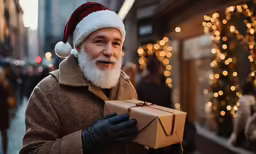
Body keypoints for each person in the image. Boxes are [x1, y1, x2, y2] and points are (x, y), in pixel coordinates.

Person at [20, 3, 148, 154]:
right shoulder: (47, 91)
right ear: (79, 46)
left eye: (116, 43)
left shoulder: (126, 85)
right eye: (99, 41)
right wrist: (87, 139)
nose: (109, 51)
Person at [228, 80, 256, 148]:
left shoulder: (242, 100)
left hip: (241, 120)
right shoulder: (253, 99)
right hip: (249, 122)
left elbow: (238, 117)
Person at [0, 67, 14, 154]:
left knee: (4, 133)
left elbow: (10, 96)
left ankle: (5, 151)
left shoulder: (6, 84)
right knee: (4, 133)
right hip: (3, 111)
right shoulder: (4, 84)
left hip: (3, 112)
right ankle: (5, 151)